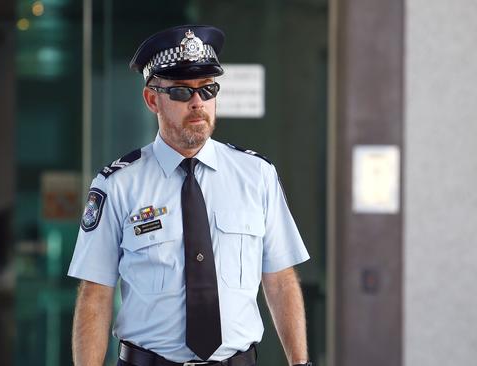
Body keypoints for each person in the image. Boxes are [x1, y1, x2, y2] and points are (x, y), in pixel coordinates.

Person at [68, 24, 312, 366]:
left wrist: (301, 363)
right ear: (152, 99)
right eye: (182, 92)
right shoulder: (118, 185)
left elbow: (280, 279)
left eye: (208, 90)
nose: (198, 103)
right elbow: (95, 294)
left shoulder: (256, 175)